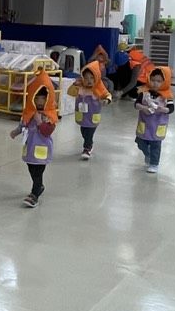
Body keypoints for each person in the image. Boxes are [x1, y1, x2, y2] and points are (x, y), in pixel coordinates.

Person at [9, 69, 59, 208]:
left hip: (42, 150)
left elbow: (47, 131)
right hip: (30, 148)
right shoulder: (29, 112)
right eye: (36, 99)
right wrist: (16, 132)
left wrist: (39, 121)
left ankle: (34, 194)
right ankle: (39, 186)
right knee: (31, 168)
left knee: (38, 172)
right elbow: (23, 124)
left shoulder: (49, 115)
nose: (39, 102)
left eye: (43, 99)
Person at [67, 60, 111, 160]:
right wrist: (74, 85)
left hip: (92, 117)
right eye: (86, 78)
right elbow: (70, 92)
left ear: (96, 78)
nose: (89, 80)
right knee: (84, 132)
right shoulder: (80, 87)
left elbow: (107, 95)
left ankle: (87, 148)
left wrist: (106, 100)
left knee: (89, 133)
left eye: (91, 78)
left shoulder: (99, 88)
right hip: (82, 117)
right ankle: (89, 143)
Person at [135, 69, 172, 174]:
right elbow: (136, 104)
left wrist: (163, 109)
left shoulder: (167, 95)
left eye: (159, 81)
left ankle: (154, 164)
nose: (155, 83)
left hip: (157, 125)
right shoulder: (143, 92)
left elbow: (171, 108)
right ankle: (148, 153)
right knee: (140, 142)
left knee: (156, 145)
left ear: (165, 82)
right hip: (144, 124)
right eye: (153, 80)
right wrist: (143, 108)